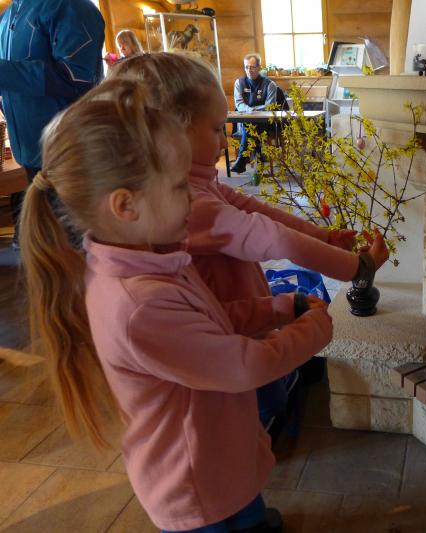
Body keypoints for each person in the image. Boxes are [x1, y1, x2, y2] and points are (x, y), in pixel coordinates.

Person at [20, 77, 333, 532]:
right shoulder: (137, 305)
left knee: (245, 508)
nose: (193, 195)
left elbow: (210, 321)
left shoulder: (156, 258)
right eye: (178, 186)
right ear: (126, 205)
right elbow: (245, 365)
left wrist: (278, 309)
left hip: (220, 458)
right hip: (196, 486)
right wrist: (314, 331)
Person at [109, 53, 389, 440]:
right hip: (228, 337)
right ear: (174, 132)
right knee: (254, 414)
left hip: (241, 320)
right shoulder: (189, 202)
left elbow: (256, 210)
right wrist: (358, 268)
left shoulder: (199, 185)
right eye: (216, 130)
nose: (225, 140)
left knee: (263, 408)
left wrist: (322, 237)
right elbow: (272, 237)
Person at [0, 0, 105, 249]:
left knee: (80, 249)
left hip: (71, 152)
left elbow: (77, 76)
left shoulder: (72, 7)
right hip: (29, 153)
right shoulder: (8, 15)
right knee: (51, 252)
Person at [230, 53, 288, 174]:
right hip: (245, 121)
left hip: (266, 123)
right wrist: (249, 110)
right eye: (246, 67)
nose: (249, 70)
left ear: (259, 67)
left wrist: (253, 110)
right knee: (248, 124)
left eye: (252, 67)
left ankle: (243, 159)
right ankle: (257, 156)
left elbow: (269, 106)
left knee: (249, 125)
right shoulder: (239, 83)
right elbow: (239, 104)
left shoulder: (270, 84)